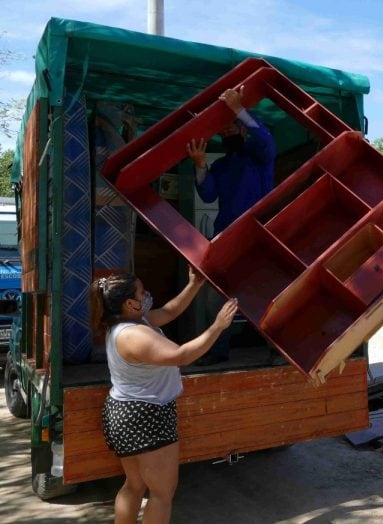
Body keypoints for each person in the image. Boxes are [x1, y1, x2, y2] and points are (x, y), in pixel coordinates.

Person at [90, 268, 238, 524]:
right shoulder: (133, 334)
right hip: (145, 414)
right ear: (129, 303)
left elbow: (170, 311)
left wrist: (194, 284)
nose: (146, 295)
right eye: (141, 292)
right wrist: (217, 327)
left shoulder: (131, 321)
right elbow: (181, 355)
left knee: (134, 484)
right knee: (161, 493)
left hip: (126, 411)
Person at [186, 86, 276, 365]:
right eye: (221, 130)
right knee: (216, 295)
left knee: (265, 294)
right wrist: (200, 165)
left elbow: (266, 140)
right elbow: (208, 194)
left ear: (243, 130)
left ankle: (277, 350)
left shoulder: (259, 158)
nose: (225, 133)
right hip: (225, 236)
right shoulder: (221, 166)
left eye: (231, 128)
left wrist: (238, 108)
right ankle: (217, 351)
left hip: (257, 236)